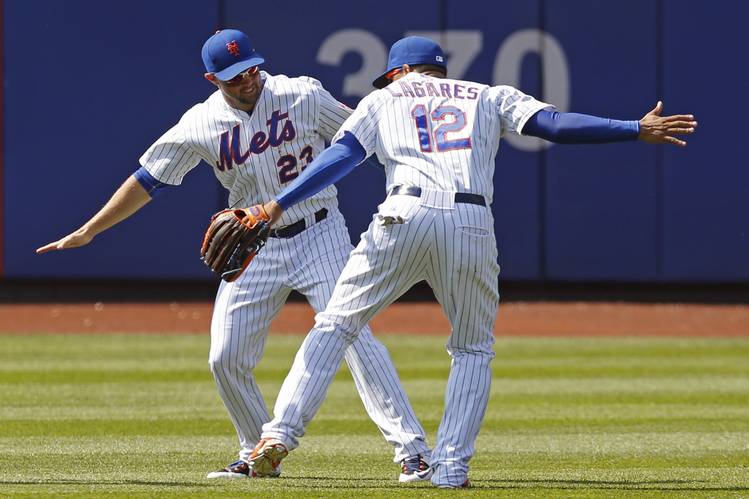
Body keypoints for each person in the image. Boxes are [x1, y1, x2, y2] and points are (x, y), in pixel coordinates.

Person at [244, 36, 698, 488]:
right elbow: (556, 125)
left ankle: (279, 434)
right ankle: (451, 467)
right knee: (472, 349)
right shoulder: (489, 94)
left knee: (335, 325)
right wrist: (633, 127)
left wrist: (276, 206)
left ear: (401, 72)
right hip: (471, 221)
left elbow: (341, 157)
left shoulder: (384, 98)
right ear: (439, 69)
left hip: (403, 215)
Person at [36, 29, 433, 482]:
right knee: (224, 357)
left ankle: (412, 451)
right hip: (255, 246)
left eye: (250, 69)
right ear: (211, 78)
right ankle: (256, 452)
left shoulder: (301, 94)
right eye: (233, 76)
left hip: (320, 231)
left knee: (355, 339)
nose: (246, 80)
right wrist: (90, 230)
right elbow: (148, 180)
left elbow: (365, 139)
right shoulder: (200, 124)